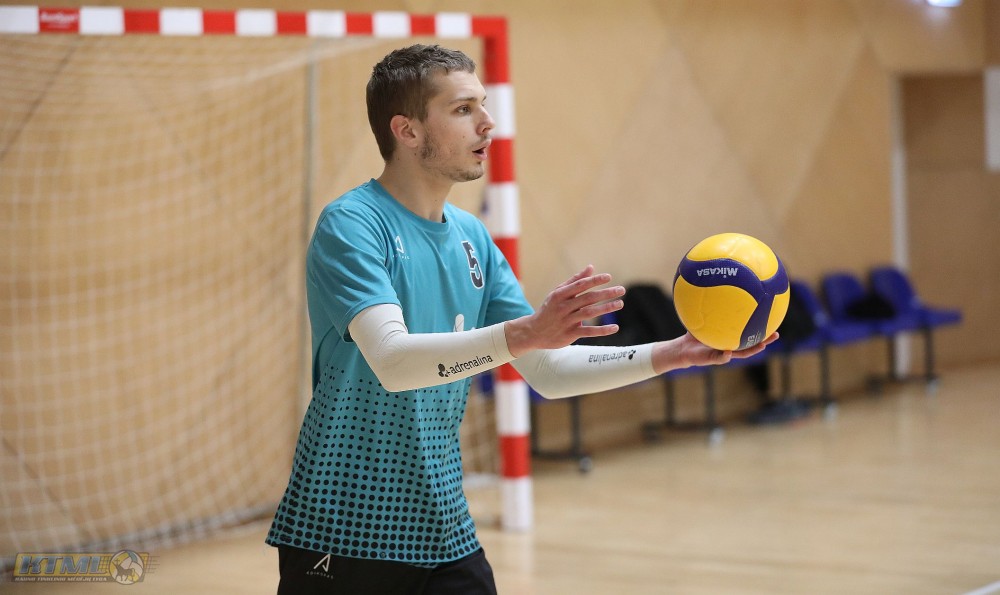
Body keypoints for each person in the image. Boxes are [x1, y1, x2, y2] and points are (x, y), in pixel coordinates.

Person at [266, 44, 776, 595]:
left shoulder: (473, 237)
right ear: (407, 131)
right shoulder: (352, 225)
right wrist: (527, 332)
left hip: (443, 529)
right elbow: (391, 362)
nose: (488, 122)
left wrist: (673, 353)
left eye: (483, 105)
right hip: (344, 527)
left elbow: (546, 371)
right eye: (463, 109)